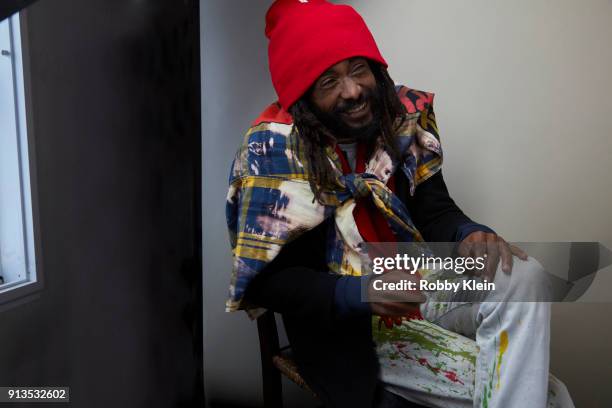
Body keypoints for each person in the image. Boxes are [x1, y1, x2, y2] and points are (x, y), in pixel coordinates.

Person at [225, 1, 574, 407]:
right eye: (328, 81)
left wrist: (468, 234)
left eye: (359, 69)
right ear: (303, 98)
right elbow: (269, 282)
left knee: (525, 276)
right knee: (550, 397)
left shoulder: (400, 119)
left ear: (377, 69)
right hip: (348, 324)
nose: (353, 90)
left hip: (416, 281)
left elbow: (436, 211)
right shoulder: (272, 153)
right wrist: (359, 292)